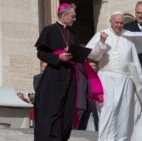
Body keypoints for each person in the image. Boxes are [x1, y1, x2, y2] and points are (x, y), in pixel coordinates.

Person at [86, 11, 142, 141]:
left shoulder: (128, 39)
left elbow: (135, 62)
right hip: (106, 79)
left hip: (125, 81)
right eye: (116, 22)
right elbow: (93, 56)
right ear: (110, 22)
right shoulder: (101, 35)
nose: (119, 25)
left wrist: (139, 83)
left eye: (121, 23)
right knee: (107, 111)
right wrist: (102, 43)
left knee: (123, 113)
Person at [33, 3, 80, 141]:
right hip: (53, 77)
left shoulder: (73, 33)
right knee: (51, 110)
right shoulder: (49, 30)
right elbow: (41, 53)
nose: (75, 19)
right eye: (73, 16)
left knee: (67, 111)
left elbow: (75, 51)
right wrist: (57, 57)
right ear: (64, 16)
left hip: (70, 77)